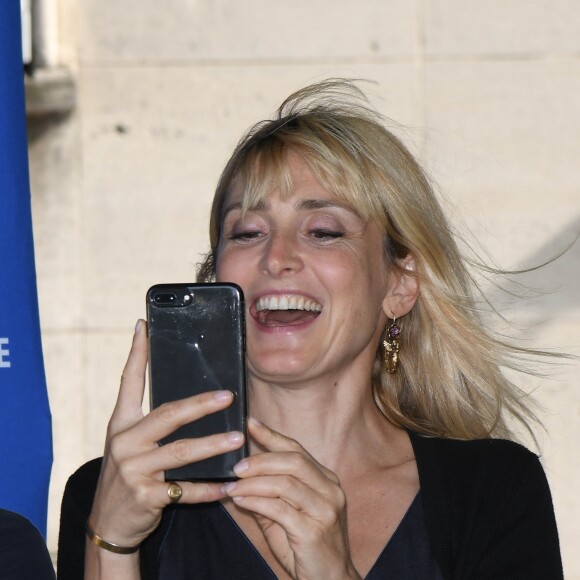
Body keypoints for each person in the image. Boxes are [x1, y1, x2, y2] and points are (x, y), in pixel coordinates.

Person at [57, 79, 563, 579]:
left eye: (323, 232)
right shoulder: (113, 491)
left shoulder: (494, 490)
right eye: (248, 232)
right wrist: (113, 545)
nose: (277, 258)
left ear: (399, 284)